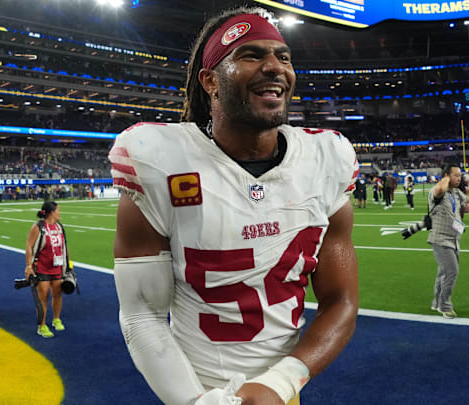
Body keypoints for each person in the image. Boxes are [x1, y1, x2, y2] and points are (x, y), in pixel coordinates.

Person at [109, 7, 359, 405]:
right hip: (194, 388)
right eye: (252, 55)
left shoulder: (326, 157)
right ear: (209, 81)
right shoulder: (158, 159)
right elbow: (142, 315)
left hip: (282, 392)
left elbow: (341, 299)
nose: (275, 67)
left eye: (283, 56)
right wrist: (192, 401)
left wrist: (280, 382)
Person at [426, 165, 469, 319]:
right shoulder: (437, 191)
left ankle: (436, 302)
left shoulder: (456, 193)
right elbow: (440, 190)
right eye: (456, 175)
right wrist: (446, 178)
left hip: (454, 239)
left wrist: (468, 207)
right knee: (452, 271)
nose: (459, 178)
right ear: (446, 176)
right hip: (440, 238)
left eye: (460, 175)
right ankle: (445, 306)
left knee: (443, 273)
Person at [24, 201, 70, 338]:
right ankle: (42, 326)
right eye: (58, 210)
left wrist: (69, 266)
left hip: (57, 267)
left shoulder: (59, 227)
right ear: (51, 212)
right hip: (42, 267)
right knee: (43, 297)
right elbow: (29, 247)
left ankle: (56, 319)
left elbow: (64, 246)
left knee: (58, 294)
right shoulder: (38, 227)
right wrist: (28, 266)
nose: (60, 213)